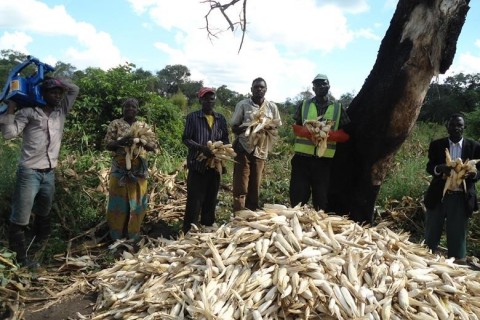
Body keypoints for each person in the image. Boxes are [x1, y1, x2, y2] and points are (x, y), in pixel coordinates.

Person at [0, 76, 79, 267]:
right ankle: (20, 258)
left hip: (49, 173)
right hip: (29, 173)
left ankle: (41, 247)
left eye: (59, 93)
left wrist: (55, 79)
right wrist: (11, 106)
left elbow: (74, 89)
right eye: (53, 92)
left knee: (44, 211)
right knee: (21, 217)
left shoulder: (61, 112)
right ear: (43, 94)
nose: (58, 96)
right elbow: (9, 134)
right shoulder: (28, 112)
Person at [423, 113, 480, 262]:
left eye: (459, 125)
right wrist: (440, 168)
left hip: (460, 197)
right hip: (439, 195)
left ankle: (457, 264)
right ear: (447, 127)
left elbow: (479, 171)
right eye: (452, 125)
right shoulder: (437, 145)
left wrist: (471, 174)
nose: (456, 128)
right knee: (431, 231)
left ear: (464, 127)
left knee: (457, 234)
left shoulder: (474, 147)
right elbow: (430, 167)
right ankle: (426, 259)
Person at [289, 73, 350, 211]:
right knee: (298, 196)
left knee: (321, 197)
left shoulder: (338, 107)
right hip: (302, 159)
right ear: (313, 88)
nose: (321, 86)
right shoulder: (304, 105)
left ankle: (318, 225)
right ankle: (296, 221)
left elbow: (346, 132)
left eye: (324, 83)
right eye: (317, 84)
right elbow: (296, 126)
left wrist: (331, 135)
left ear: (329, 86)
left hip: (323, 161)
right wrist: (306, 132)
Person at [104, 98, 157, 241]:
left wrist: (143, 143)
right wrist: (121, 142)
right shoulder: (115, 123)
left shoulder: (143, 125)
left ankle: (133, 235)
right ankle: (116, 235)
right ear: (122, 109)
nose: (130, 109)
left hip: (138, 168)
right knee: (118, 201)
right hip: (120, 166)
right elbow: (108, 145)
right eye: (127, 106)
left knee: (138, 201)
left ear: (137, 109)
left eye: (133, 106)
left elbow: (153, 146)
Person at [182, 87, 229, 233]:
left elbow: (225, 139)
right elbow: (186, 139)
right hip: (197, 164)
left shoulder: (220, 119)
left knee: (211, 197)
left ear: (214, 100)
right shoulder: (193, 117)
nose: (209, 101)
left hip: (215, 165)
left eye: (212, 98)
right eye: (206, 98)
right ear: (200, 100)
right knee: (195, 199)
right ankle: (190, 229)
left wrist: (221, 154)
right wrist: (201, 148)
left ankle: (208, 226)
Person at [231, 77, 282, 212]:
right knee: (241, 185)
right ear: (251, 89)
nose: (259, 89)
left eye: (261, 87)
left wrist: (265, 127)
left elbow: (276, 127)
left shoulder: (272, 107)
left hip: (261, 150)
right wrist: (251, 126)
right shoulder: (243, 105)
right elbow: (234, 128)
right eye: (256, 87)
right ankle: (239, 213)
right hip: (243, 148)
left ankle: (251, 213)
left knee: (255, 184)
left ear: (266, 90)